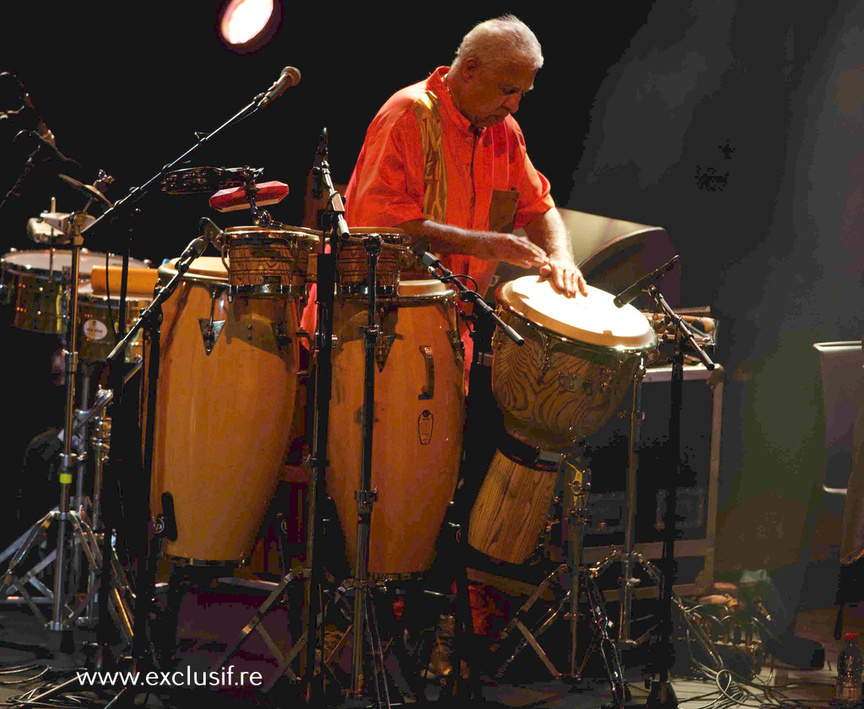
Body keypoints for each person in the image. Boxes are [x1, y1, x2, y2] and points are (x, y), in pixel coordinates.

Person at [344, 14, 587, 308]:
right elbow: (379, 227)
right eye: (507, 89)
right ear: (470, 69)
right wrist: (479, 243)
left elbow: (537, 206)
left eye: (522, 93)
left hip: (455, 324)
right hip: (377, 317)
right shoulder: (408, 116)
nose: (515, 105)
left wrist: (561, 257)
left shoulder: (505, 130)